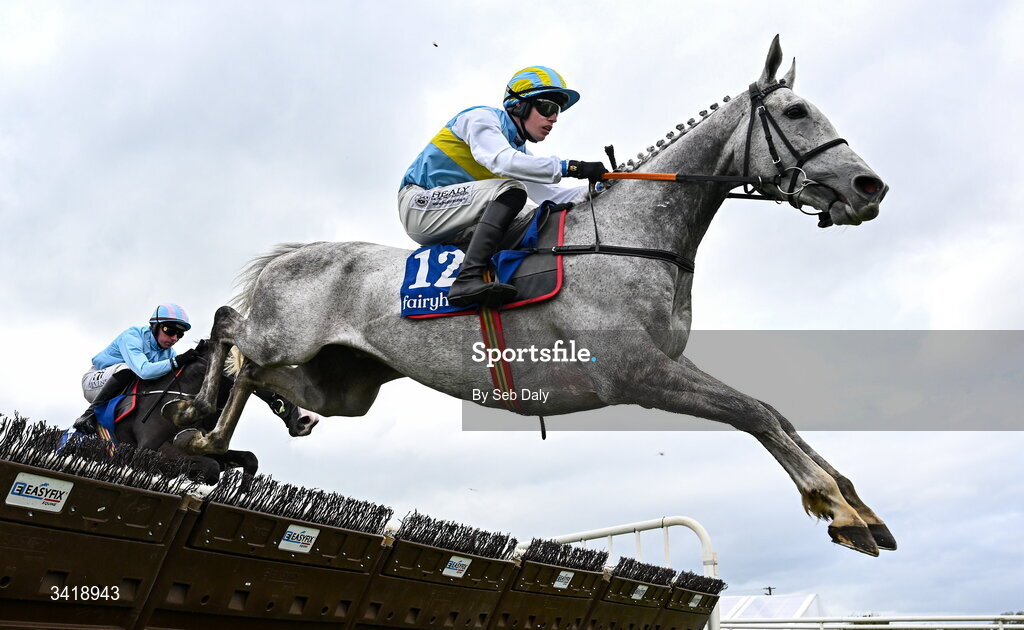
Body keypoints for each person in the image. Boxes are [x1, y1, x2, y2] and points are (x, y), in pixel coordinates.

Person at [399, 66, 608, 307]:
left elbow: (551, 195)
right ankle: (467, 279)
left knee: (536, 215)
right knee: (512, 190)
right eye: (548, 107)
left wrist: (598, 189)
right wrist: (571, 167)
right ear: (519, 105)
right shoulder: (481, 118)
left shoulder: (517, 153)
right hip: (420, 207)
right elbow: (501, 160)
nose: (554, 118)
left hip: (456, 219)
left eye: (558, 110)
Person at [73, 303, 199, 434]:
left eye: (180, 334)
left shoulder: (169, 353)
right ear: (155, 326)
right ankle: (88, 415)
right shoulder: (132, 336)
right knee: (128, 370)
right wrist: (178, 361)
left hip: (126, 385)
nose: (174, 338)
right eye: (169, 330)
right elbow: (144, 371)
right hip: (95, 381)